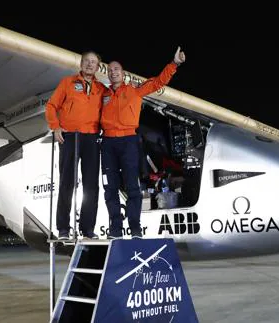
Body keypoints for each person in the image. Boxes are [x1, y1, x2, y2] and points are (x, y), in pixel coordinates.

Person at [100, 47, 186, 239]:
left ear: (123, 74)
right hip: (107, 144)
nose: (113, 72)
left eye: (117, 70)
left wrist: (174, 64)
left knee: (132, 186)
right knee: (110, 188)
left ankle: (135, 227)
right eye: (110, 70)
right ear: (107, 74)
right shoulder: (102, 95)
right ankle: (115, 229)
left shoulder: (135, 92)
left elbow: (158, 82)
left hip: (129, 141)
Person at [45, 51, 106, 240]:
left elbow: (110, 110)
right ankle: (63, 228)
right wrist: (55, 127)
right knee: (67, 183)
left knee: (91, 186)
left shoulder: (102, 88)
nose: (89, 65)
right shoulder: (67, 82)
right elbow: (51, 106)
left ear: (98, 67)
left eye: (93, 62)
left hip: (92, 138)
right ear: (81, 64)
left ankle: (87, 229)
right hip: (70, 137)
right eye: (86, 61)